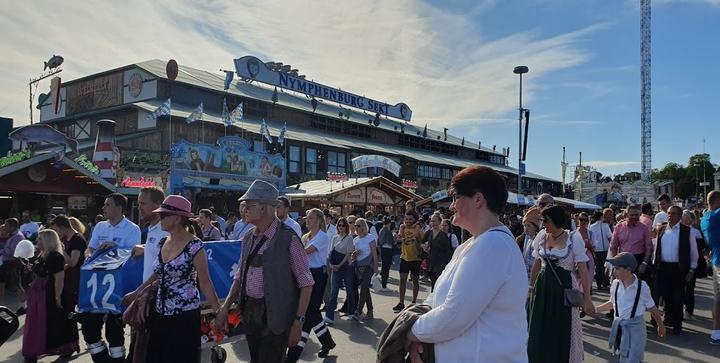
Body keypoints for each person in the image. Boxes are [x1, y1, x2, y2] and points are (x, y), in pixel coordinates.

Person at [405, 166, 528, 361]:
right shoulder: (473, 244)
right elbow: (436, 298)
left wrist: (409, 333)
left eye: (455, 197)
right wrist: (419, 335)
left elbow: (453, 316)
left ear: (478, 199)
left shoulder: (493, 245)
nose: (451, 206)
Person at [214, 180, 314, 363]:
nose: (244, 209)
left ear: (265, 208)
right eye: (244, 205)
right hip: (251, 315)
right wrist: (225, 307)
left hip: (276, 318)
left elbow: (306, 283)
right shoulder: (248, 238)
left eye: (249, 205)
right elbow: (239, 276)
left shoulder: (288, 239)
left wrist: (298, 322)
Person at [122, 195, 219, 362]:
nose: (160, 218)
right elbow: (159, 273)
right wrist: (137, 292)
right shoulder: (162, 243)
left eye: (164, 215)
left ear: (177, 218)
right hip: (160, 312)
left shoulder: (194, 246)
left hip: (184, 316)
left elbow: (205, 282)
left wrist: (219, 311)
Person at [528, 205, 594, 363]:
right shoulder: (542, 236)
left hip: (563, 288)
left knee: (562, 327)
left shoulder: (573, 238)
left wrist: (587, 298)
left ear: (556, 220)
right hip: (543, 288)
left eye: (546, 220)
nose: (543, 224)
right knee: (539, 326)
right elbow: (537, 264)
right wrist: (531, 288)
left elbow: (583, 271)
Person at [83, 193, 141, 362]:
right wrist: (89, 255)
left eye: (108, 204)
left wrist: (116, 248)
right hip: (96, 285)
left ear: (119, 207)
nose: (104, 208)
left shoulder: (132, 229)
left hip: (118, 286)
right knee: (89, 329)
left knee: (114, 332)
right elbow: (90, 249)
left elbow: (134, 256)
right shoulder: (100, 226)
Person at [594, 252, 665, 362]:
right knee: (623, 356)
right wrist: (595, 309)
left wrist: (660, 325)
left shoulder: (642, 287)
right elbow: (612, 303)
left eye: (617, 268)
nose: (614, 271)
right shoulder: (615, 284)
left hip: (636, 329)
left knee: (632, 359)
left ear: (628, 270)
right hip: (620, 327)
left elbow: (652, 308)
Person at [22, 230, 80, 361]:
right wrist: (32, 268)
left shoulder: (54, 255)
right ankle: (33, 350)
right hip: (39, 291)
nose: (37, 242)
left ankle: (63, 348)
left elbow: (59, 277)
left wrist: (57, 297)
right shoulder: (43, 254)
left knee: (52, 322)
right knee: (37, 321)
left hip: (49, 292)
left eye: (39, 239)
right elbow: (43, 270)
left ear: (47, 241)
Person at [287, 208, 336, 361]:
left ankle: (293, 355)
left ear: (320, 221)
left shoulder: (323, 237)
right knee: (311, 313)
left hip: (318, 276)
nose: (307, 221)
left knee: (309, 313)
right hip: (305, 275)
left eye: (311, 218)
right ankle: (327, 342)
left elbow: (304, 252)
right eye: (307, 218)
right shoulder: (306, 236)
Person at [653, 205, 699, 335]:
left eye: (673, 214)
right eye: (668, 213)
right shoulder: (661, 229)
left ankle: (677, 325)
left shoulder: (687, 231)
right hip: (663, 268)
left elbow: (694, 253)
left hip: (679, 269)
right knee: (666, 296)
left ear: (679, 216)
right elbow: (657, 249)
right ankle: (668, 320)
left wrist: (691, 270)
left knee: (678, 297)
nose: (670, 216)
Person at [49, 216, 86, 327]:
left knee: (69, 311)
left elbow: (72, 262)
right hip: (66, 279)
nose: (56, 232)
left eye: (56, 229)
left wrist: (62, 249)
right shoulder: (65, 239)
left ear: (62, 227)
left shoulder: (77, 239)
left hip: (75, 281)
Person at [131, 187, 170, 283]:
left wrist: (140, 291)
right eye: (138, 204)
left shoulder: (167, 230)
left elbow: (167, 266)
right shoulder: (151, 228)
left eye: (143, 203)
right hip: (150, 294)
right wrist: (145, 249)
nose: (139, 208)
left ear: (158, 204)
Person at [608, 205, 653, 284]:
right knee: (623, 285)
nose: (634, 217)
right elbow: (613, 247)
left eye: (637, 215)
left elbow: (649, 247)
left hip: (639, 260)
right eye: (632, 215)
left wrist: (644, 263)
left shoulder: (644, 228)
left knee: (638, 286)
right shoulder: (619, 227)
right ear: (626, 215)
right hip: (623, 260)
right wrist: (615, 264)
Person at [324, 217, 355, 324]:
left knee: (349, 290)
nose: (341, 227)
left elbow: (348, 254)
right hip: (335, 267)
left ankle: (351, 311)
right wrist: (332, 265)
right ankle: (329, 316)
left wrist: (339, 265)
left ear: (346, 227)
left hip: (346, 267)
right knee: (334, 291)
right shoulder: (334, 238)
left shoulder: (349, 238)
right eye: (339, 225)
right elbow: (330, 253)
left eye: (343, 225)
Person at [392, 210, 424, 313]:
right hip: (404, 257)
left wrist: (417, 238)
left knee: (415, 280)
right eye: (406, 219)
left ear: (415, 220)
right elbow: (398, 239)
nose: (408, 221)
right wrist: (398, 238)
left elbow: (423, 242)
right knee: (402, 279)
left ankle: (414, 302)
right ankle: (401, 302)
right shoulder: (403, 228)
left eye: (410, 219)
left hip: (415, 258)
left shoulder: (418, 229)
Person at [349, 218, 378, 321]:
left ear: (363, 226)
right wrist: (354, 255)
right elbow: (353, 255)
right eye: (355, 225)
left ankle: (358, 310)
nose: (356, 227)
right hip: (359, 265)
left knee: (364, 288)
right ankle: (370, 311)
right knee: (365, 289)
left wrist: (376, 267)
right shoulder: (355, 240)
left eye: (359, 225)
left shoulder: (370, 237)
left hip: (368, 265)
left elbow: (374, 253)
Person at [701, 190, 720, 345]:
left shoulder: (705, 218)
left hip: (716, 260)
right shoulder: (717, 215)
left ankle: (716, 332)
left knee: (718, 298)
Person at [682, 210, 706, 321]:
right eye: (683, 217)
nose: (685, 219)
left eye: (687, 217)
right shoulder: (678, 231)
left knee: (690, 288)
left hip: (692, 263)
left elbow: (700, 249)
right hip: (680, 264)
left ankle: (688, 311)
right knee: (680, 288)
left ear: (691, 219)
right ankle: (679, 310)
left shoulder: (695, 232)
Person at [0, 218, 27, 314]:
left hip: (13, 263)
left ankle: (24, 307)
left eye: (6, 225)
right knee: (1, 284)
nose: (5, 227)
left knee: (17, 285)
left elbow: (12, 252)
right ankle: (1, 307)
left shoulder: (18, 237)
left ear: (12, 226)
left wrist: (1, 251)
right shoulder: (12, 235)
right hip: (6, 263)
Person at [422, 213, 453, 291]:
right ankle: (433, 299)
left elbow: (448, 251)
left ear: (439, 222)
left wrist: (448, 265)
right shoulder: (428, 233)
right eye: (431, 221)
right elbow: (422, 242)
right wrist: (425, 247)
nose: (433, 223)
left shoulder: (443, 235)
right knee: (433, 283)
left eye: (435, 221)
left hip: (441, 263)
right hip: (431, 261)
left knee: (438, 284)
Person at [589, 210, 612, 289]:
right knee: (605, 266)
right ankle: (605, 283)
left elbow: (590, 238)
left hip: (596, 249)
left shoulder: (591, 226)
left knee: (598, 267)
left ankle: (599, 283)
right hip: (605, 248)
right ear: (601, 217)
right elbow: (609, 237)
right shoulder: (605, 225)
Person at [516, 208, 540, 278]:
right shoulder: (527, 238)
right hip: (525, 274)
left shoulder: (539, 240)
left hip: (534, 275)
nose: (526, 228)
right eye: (524, 226)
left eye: (529, 226)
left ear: (535, 227)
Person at [377, 217, 395, 292]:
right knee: (386, 267)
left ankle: (383, 283)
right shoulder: (387, 231)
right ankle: (384, 284)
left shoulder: (381, 230)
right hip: (387, 249)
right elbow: (391, 241)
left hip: (383, 249)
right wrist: (395, 239)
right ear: (389, 223)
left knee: (384, 266)